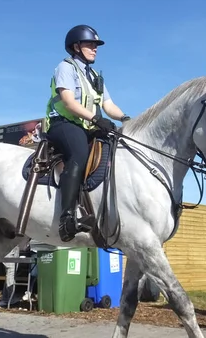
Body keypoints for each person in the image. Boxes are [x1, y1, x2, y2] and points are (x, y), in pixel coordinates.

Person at [45, 24, 129, 242]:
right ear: (76, 46)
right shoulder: (66, 68)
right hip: (62, 123)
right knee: (79, 153)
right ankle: (67, 219)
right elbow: (68, 102)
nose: (95, 49)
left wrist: (126, 119)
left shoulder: (94, 76)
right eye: (90, 44)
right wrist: (95, 118)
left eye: (96, 45)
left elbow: (109, 105)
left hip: (86, 126)